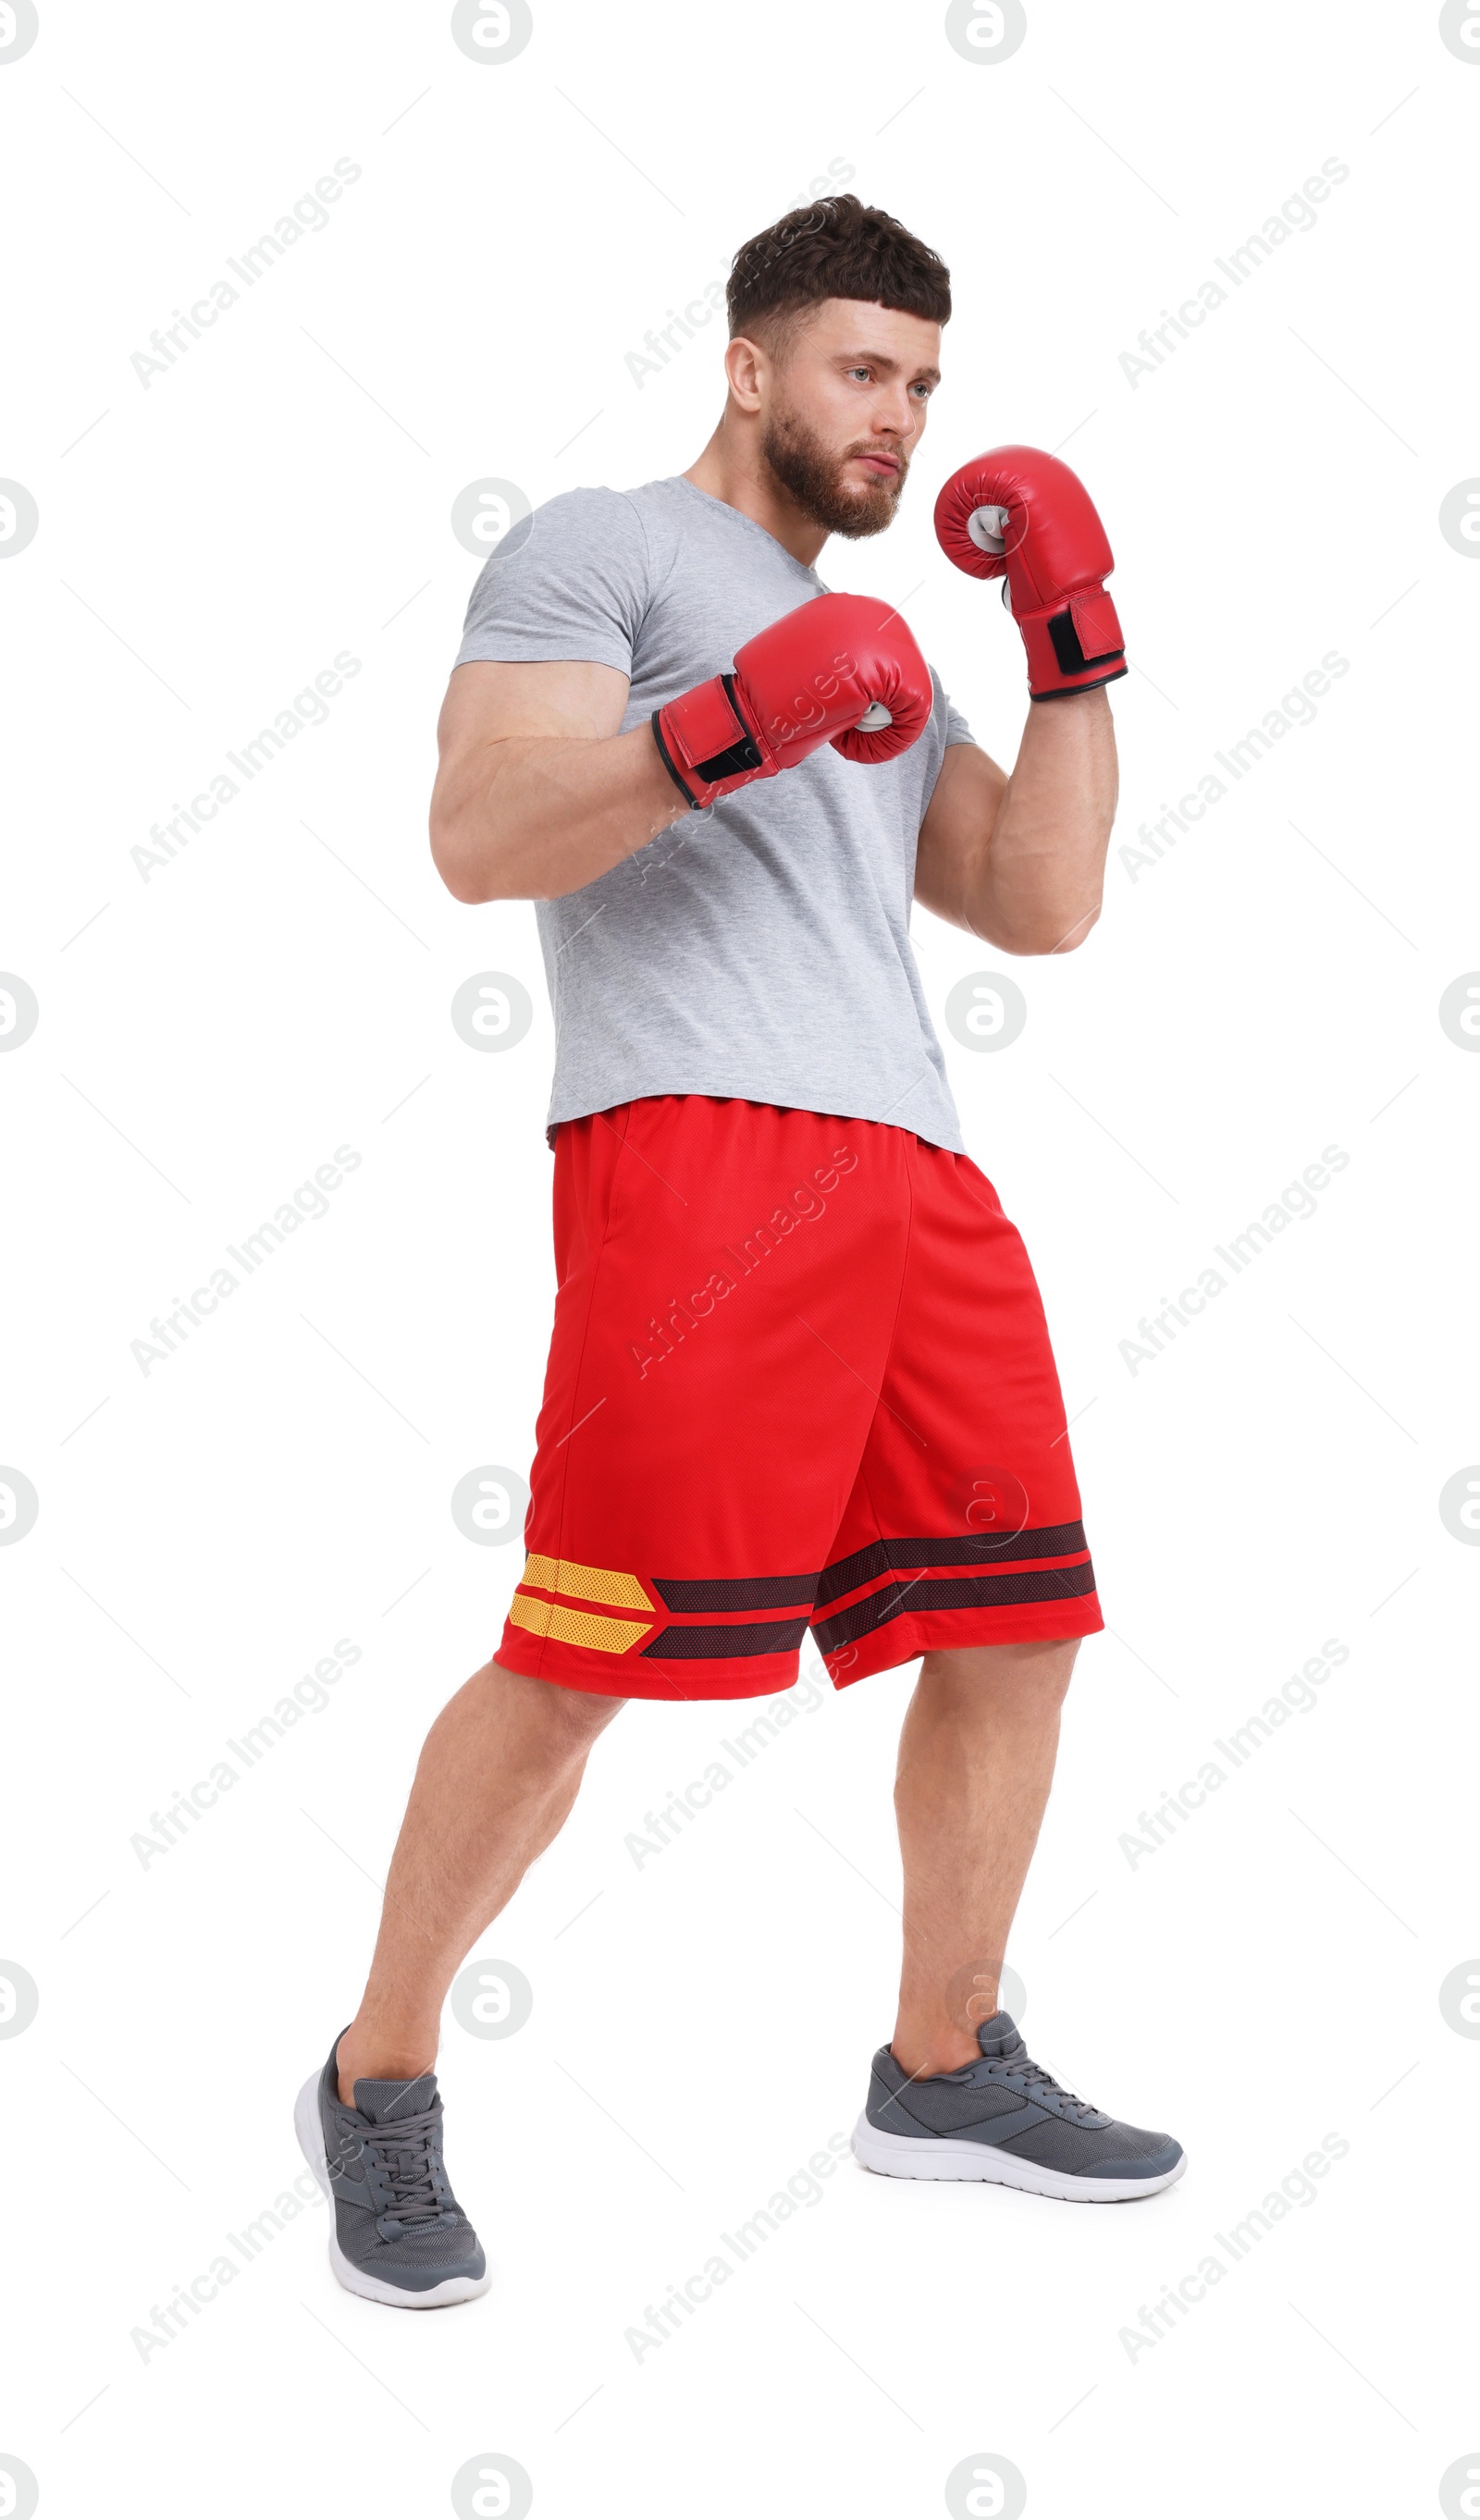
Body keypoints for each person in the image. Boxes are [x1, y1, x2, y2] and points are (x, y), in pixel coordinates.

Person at [294, 193, 1184, 2310]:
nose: (896, 423)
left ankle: (943, 2061)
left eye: (925, 390)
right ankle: (377, 2070)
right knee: (592, 1648)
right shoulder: (597, 550)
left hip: (914, 1169)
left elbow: (1034, 898)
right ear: (750, 366)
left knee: (1014, 1617)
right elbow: (473, 834)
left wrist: (1069, 639)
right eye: (864, 373)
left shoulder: (868, 652)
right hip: (691, 1154)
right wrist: (723, 725)